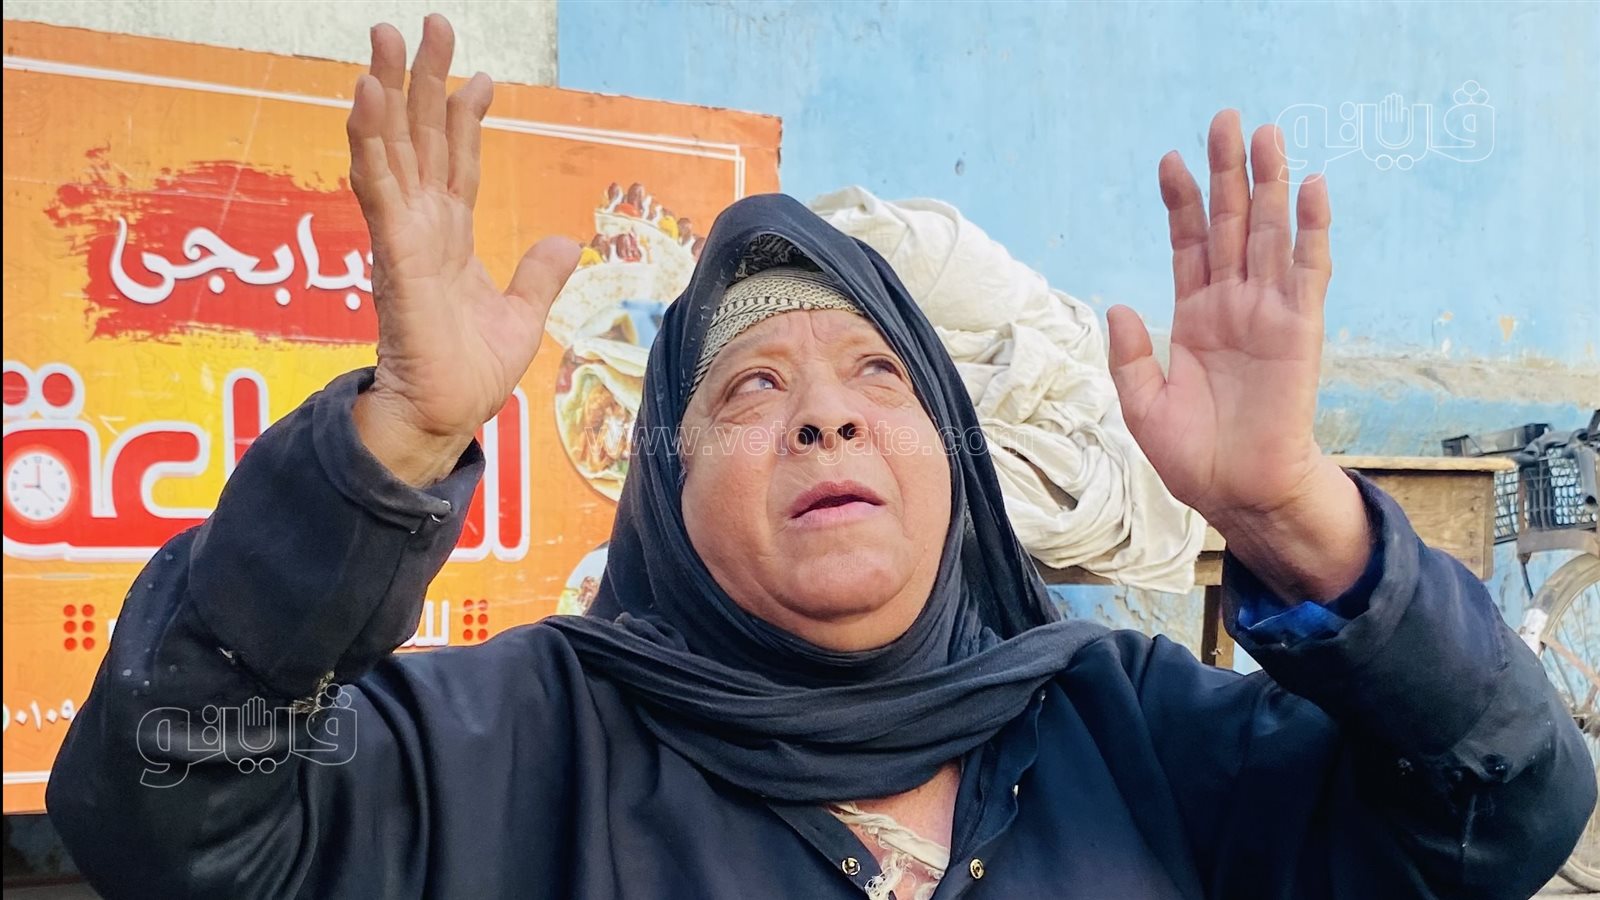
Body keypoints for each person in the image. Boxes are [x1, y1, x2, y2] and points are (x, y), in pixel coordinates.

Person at [47, 14, 1591, 900]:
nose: (828, 416)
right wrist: (393, 441)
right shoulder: (506, 750)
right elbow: (159, 808)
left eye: (878, 379)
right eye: (751, 389)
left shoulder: (1129, 727)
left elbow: (1505, 807)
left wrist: (1294, 512)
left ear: (953, 457)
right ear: (663, 489)